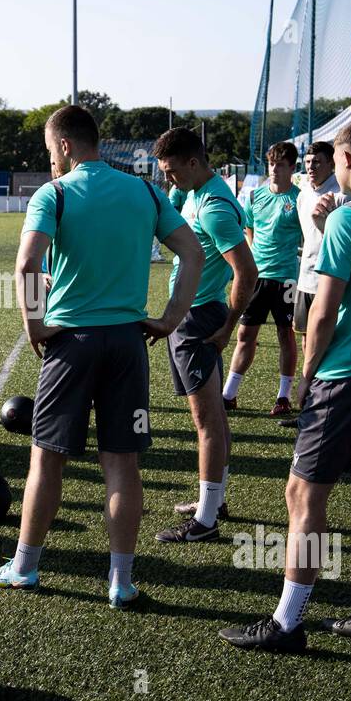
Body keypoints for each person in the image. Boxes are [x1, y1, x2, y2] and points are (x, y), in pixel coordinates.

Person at [0, 105, 203, 609]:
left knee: (46, 460)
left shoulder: (53, 193)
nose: (50, 161)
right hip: (127, 343)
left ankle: (25, 568)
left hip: (72, 345)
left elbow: (27, 263)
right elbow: (193, 253)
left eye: (49, 152)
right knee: (122, 466)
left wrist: (35, 323)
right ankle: (120, 583)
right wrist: (168, 319)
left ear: (63, 146)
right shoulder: (144, 190)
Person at [220, 119, 351, 652]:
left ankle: (287, 623)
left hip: (346, 376)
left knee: (303, 495)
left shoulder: (350, 219)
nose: (328, 167)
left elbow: (324, 311)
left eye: (334, 158)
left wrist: (308, 374)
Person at [151, 127, 257, 541]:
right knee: (210, 415)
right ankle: (213, 500)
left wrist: (228, 326)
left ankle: (206, 522)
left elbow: (246, 271)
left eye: (173, 171)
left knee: (206, 419)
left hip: (199, 319)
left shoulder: (213, 204)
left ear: (194, 162)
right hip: (190, 317)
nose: (169, 179)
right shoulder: (198, 194)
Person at [222, 140, 303, 416]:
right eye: (271, 164)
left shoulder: (299, 198)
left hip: (287, 279)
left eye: (280, 165)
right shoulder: (256, 196)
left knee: (286, 335)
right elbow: (249, 228)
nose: (274, 169)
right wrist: (255, 255)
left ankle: (283, 397)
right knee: (245, 334)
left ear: (292, 167)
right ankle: (229, 394)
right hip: (258, 276)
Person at [279, 141, 345, 429]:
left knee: (328, 343)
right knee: (307, 341)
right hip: (305, 278)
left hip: (328, 281)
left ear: (331, 163)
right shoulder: (304, 193)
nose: (311, 167)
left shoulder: (342, 196)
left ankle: (329, 407)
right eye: (307, 162)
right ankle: (309, 407)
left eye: (317, 162)